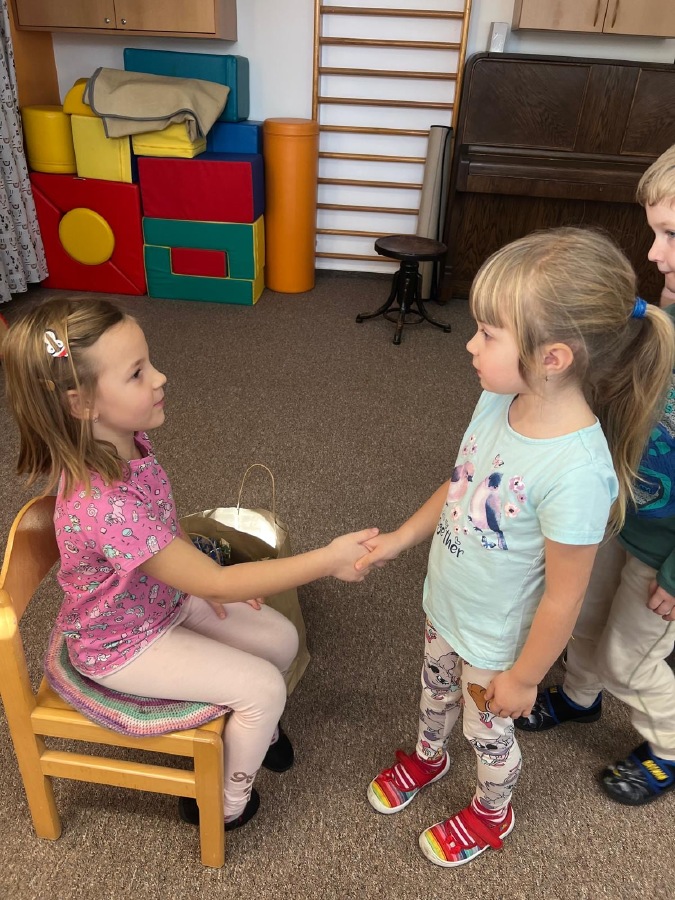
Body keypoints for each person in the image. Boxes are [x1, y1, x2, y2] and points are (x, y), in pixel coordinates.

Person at [355, 227, 675, 868]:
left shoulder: (578, 472)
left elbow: (565, 597)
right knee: (433, 692)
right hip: (447, 602)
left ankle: (491, 811)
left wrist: (526, 678)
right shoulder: (498, 396)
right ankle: (429, 755)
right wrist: (401, 538)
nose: (470, 345)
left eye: (487, 333)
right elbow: (461, 483)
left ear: (552, 357)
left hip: (499, 642)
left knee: (489, 731)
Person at [3, 296, 378, 831]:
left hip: (162, 602)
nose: (160, 377)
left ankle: (258, 730)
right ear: (82, 404)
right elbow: (216, 581)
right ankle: (224, 801)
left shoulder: (128, 442)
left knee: (281, 640)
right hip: (120, 645)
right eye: (137, 373)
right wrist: (325, 560)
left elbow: (167, 521)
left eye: (149, 362)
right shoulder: (104, 504)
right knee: (264, 687)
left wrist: (206, 580)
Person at [515, 147, 675, 808]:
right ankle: (580, 699)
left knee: (627, 658)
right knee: (581, 613)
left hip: (665, 550)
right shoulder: (665, 312)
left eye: (672, 236)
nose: (655, 254)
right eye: (654, 232)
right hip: (620, 512)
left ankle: (668, 745)